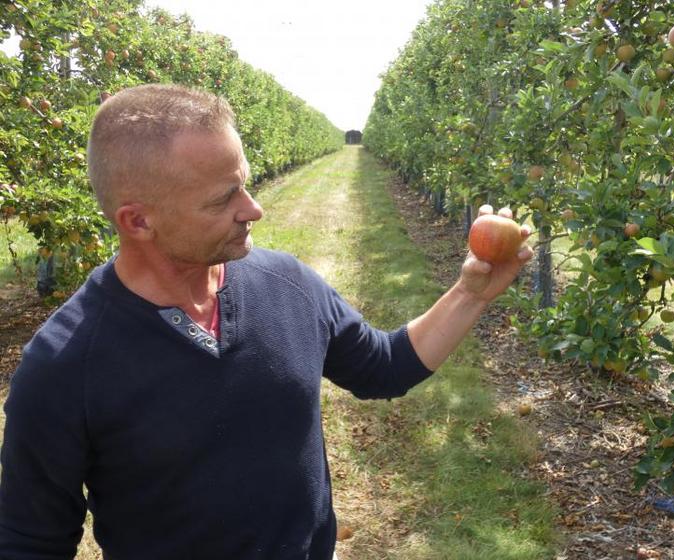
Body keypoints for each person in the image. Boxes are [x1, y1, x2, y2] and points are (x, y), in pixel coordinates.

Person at [0, 84, 532, 560]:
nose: (253, 209)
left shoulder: (286, 284)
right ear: (138, 221)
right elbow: (31, 540)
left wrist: (471, 293)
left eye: (244, 184)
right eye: (223, 198)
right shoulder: (67, 366)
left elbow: (383, 367)